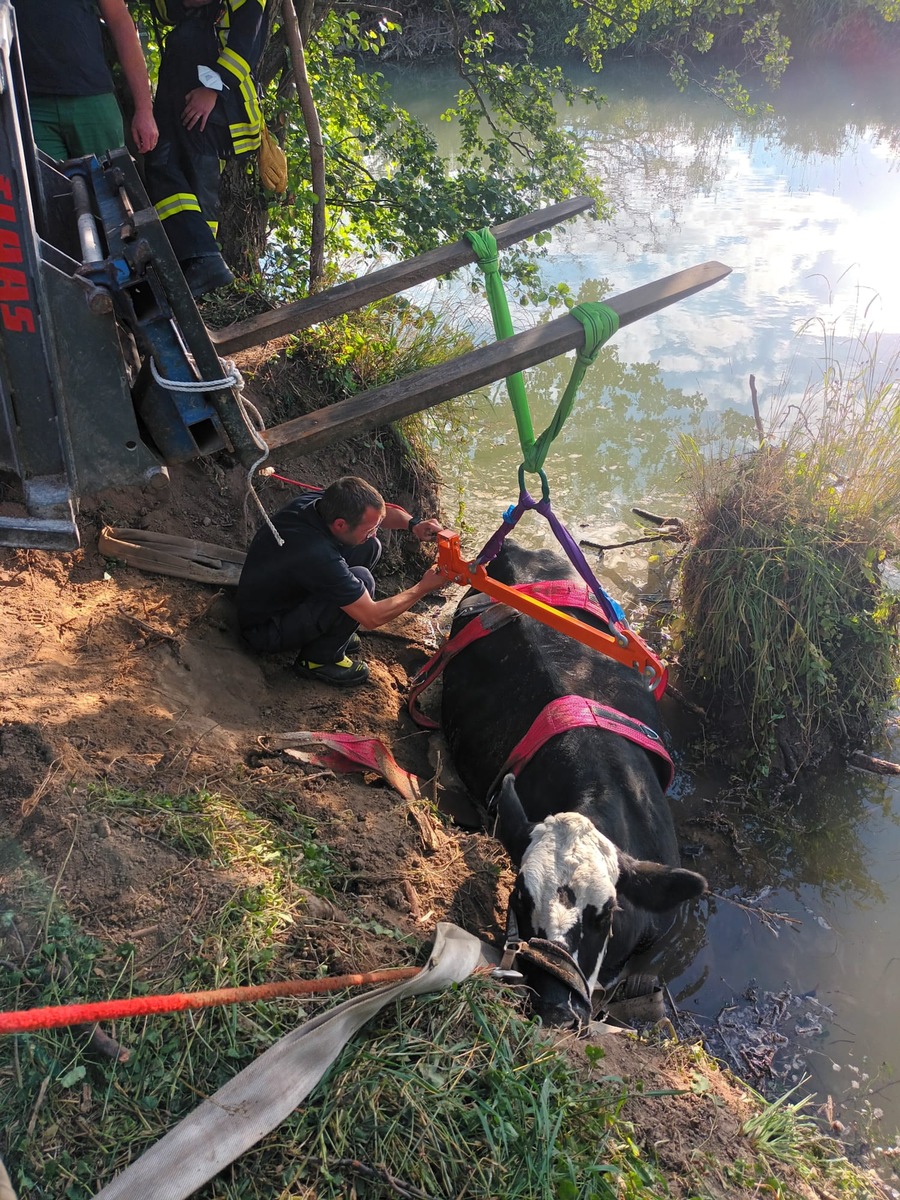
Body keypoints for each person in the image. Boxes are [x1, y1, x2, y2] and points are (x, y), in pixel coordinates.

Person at [237, 477, 448, 687]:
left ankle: (332, 631)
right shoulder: (316, 553)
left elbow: (377, 517)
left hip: (284, 592)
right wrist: (424, 587)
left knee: (369, 545)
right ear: (340, 524)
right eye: (369, 529)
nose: (375, 532)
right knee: (363, 581)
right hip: (266, 630)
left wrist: (414, 525)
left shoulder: (326, 504)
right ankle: (318, 659)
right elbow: (372, 617)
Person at [144, 0, 267, 299]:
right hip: (180, 98)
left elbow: (247, 41)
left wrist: (214, 88)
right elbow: (164, 12)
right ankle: (194, 264)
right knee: (164, 168)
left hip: (215, 105)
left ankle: (202, 268)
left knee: (198, 181)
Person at [13, 0, 159, 161]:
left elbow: (120, 22)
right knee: (43, 184)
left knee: (113, 182)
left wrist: (144, 109)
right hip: (30, 105)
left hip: (92, 98)